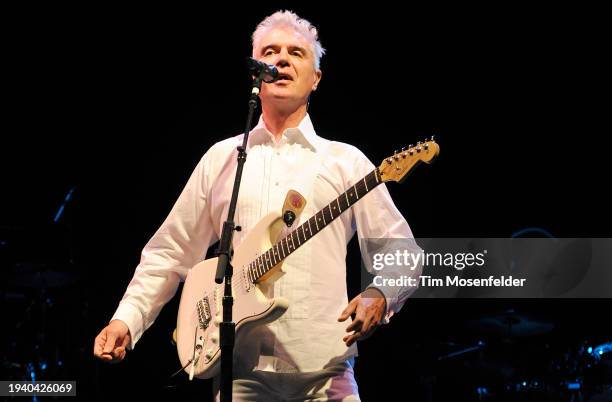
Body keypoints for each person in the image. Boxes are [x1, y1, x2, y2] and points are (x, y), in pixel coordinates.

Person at [94, 10, 421, 401]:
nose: (281, 59)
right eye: (270, 51)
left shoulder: (347, 162)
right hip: (240, 374)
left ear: (316, 78)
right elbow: (170, 251)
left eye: (296, 53)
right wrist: (126, 319)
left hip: (326, 375)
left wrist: (381, 294)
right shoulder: (223, 159)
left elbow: (401, 250)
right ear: (255, 73)